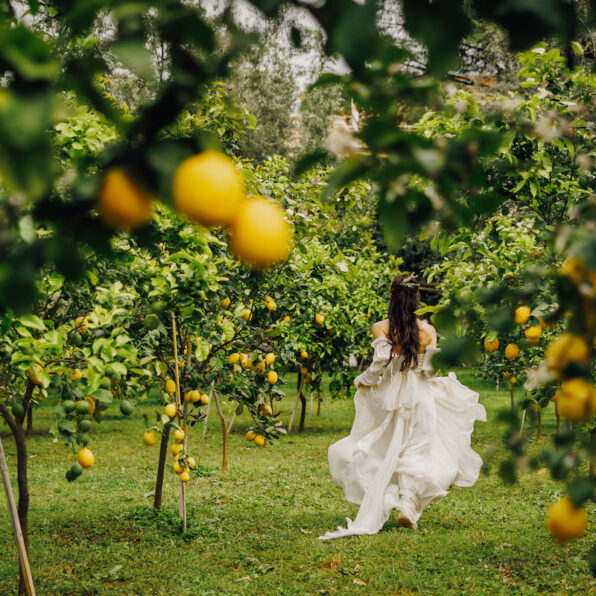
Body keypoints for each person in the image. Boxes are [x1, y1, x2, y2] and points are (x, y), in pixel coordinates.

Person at [319, 273, 486, 540]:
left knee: (381, 450)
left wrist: (363, 381)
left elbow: (379, 364)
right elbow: (429, 372)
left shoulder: (381, 327)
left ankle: (386, 497)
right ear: (417, 299)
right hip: (420, 397)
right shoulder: (429, 331)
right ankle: (407, 504)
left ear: (392, 298)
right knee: (416, 450)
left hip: (389, 397)